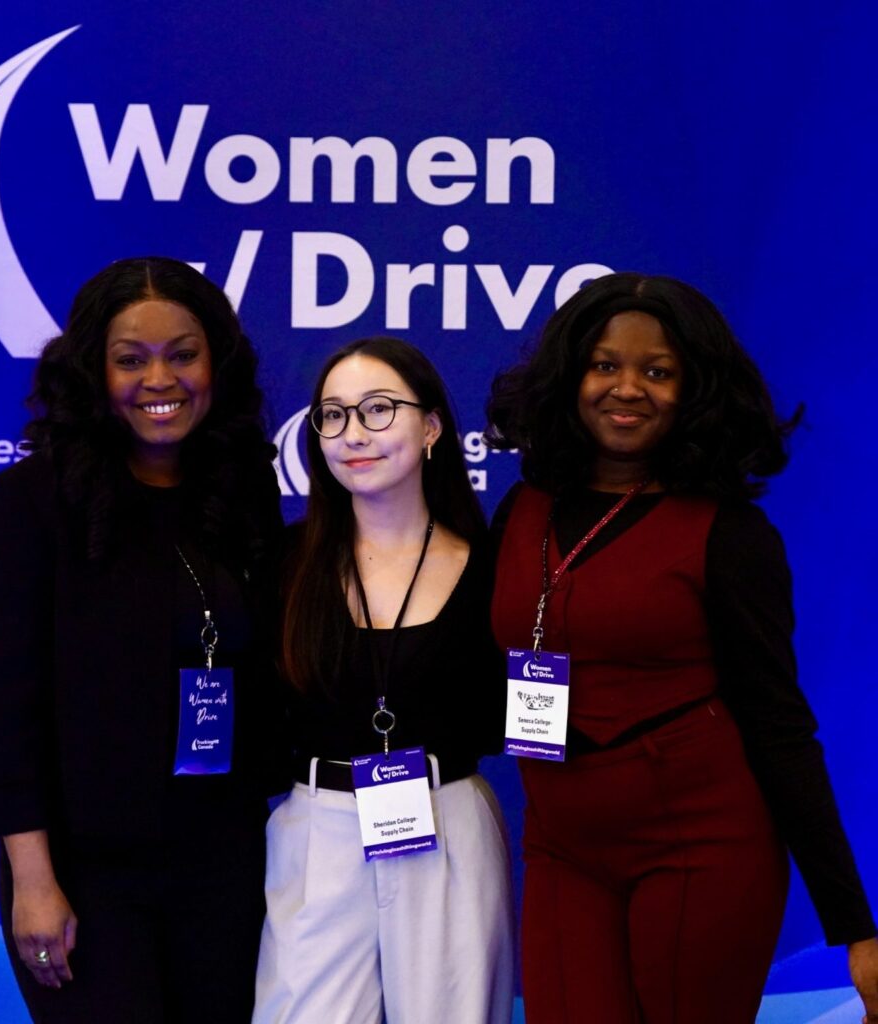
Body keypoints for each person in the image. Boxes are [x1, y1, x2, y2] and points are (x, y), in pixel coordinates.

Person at [486, 271, 878, 1024]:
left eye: (657, 372)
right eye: (604, 365)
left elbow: (778, 725)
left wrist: (855, 930)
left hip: (699, 848)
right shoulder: (522, 507)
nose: (626, 388)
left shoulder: (729, 535)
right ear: (570, 375)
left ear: (694, 391)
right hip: (563, 848)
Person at [0, 257, 284, 1023]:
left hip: (222, 866)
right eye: (130, 359)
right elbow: (6, 706)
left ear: (216, 361)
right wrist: (34, 879)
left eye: (182, 354)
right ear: (91, 372)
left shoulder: (241, 489)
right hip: (84, 875)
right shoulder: (30, 500)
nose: (159, 379)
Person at [253, 337, 515, 1024]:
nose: (353, 435)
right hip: (318, 826)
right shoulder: (285, 563)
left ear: (429, 429)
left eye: (377, 410)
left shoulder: (494, 569)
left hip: (446, 820)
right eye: (332, 416)